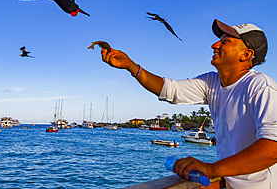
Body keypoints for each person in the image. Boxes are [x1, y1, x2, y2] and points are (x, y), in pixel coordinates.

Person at [100, 19, 277, 189]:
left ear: (246, 55)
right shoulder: (212, 82)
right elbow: (171, 89)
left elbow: (273, 147)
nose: (214, 45)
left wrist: (211, 169)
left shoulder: (260, 87)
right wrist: (131, 66)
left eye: (225, 41)